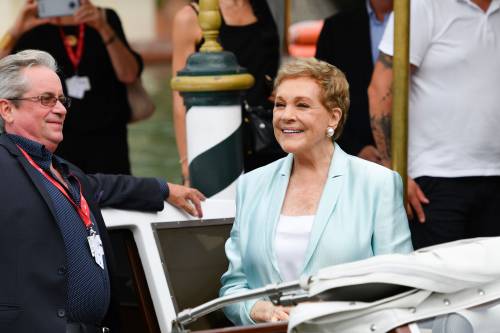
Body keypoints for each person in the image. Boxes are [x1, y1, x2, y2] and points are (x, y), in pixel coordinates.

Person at [0, 50, 205, 333]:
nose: (60, 109)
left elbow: (108, 187)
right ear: (7, 109)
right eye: (45, 100)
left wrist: (163, 188)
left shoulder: (64, 172)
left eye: (61, 100)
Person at [219, 58, 413, 326]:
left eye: (302, 105)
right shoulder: (251, 185)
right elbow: (233, 287)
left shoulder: (378, 183)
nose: (286, 115)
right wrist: (258, 309)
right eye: (280, 104)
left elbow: (399, 285)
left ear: (333, 116)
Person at [368, 0, 500, 249]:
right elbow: (381, 89)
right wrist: (394, 172)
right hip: (434, 178)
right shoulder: (423, 5)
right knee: (438, 284)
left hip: (496, 175)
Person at [0, 0, 141, 174]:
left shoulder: (104, 18)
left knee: (114, 192)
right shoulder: (32, 24)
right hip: (55, 138)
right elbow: (4, 74)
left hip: (108, 139)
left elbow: (129, 74)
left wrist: (103, 28)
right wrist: (16, 30)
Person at [172, 0, 284, 185]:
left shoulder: (263, 7)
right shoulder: (190, 16)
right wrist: (186, 165)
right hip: (218, 140)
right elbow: (179, 98)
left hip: (268, 137)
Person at [315, 0, 392, 163]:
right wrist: (354, 148)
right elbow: (322, 96)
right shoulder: (336, 28)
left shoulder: (423, 23)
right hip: (352, 156)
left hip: (418, 156)